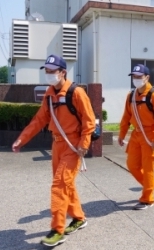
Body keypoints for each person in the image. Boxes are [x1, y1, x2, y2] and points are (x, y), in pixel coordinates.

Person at [12, 54, 95, 247]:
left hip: (73, 145)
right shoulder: (49, 94)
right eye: (47, 71)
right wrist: (21, 139)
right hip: (57, 144)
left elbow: (89, 121)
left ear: (63, 72)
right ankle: (79, 218)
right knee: (67, 184)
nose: (49, 75)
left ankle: (57, 230)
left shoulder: (76, 93)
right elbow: (39, 119)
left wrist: (84, 144)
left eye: (52, 71)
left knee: (59, 185)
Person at [118, 64, 154, 210]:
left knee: (148, 169)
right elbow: (126, 117)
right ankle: (152, 183)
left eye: (139, 77)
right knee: (132, 165)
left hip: (150, 135)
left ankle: (147, 199)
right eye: (134, 76)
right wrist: (122, 134)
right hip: (136, 134)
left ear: (147, 77)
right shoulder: (131, 96)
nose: (136, 79)